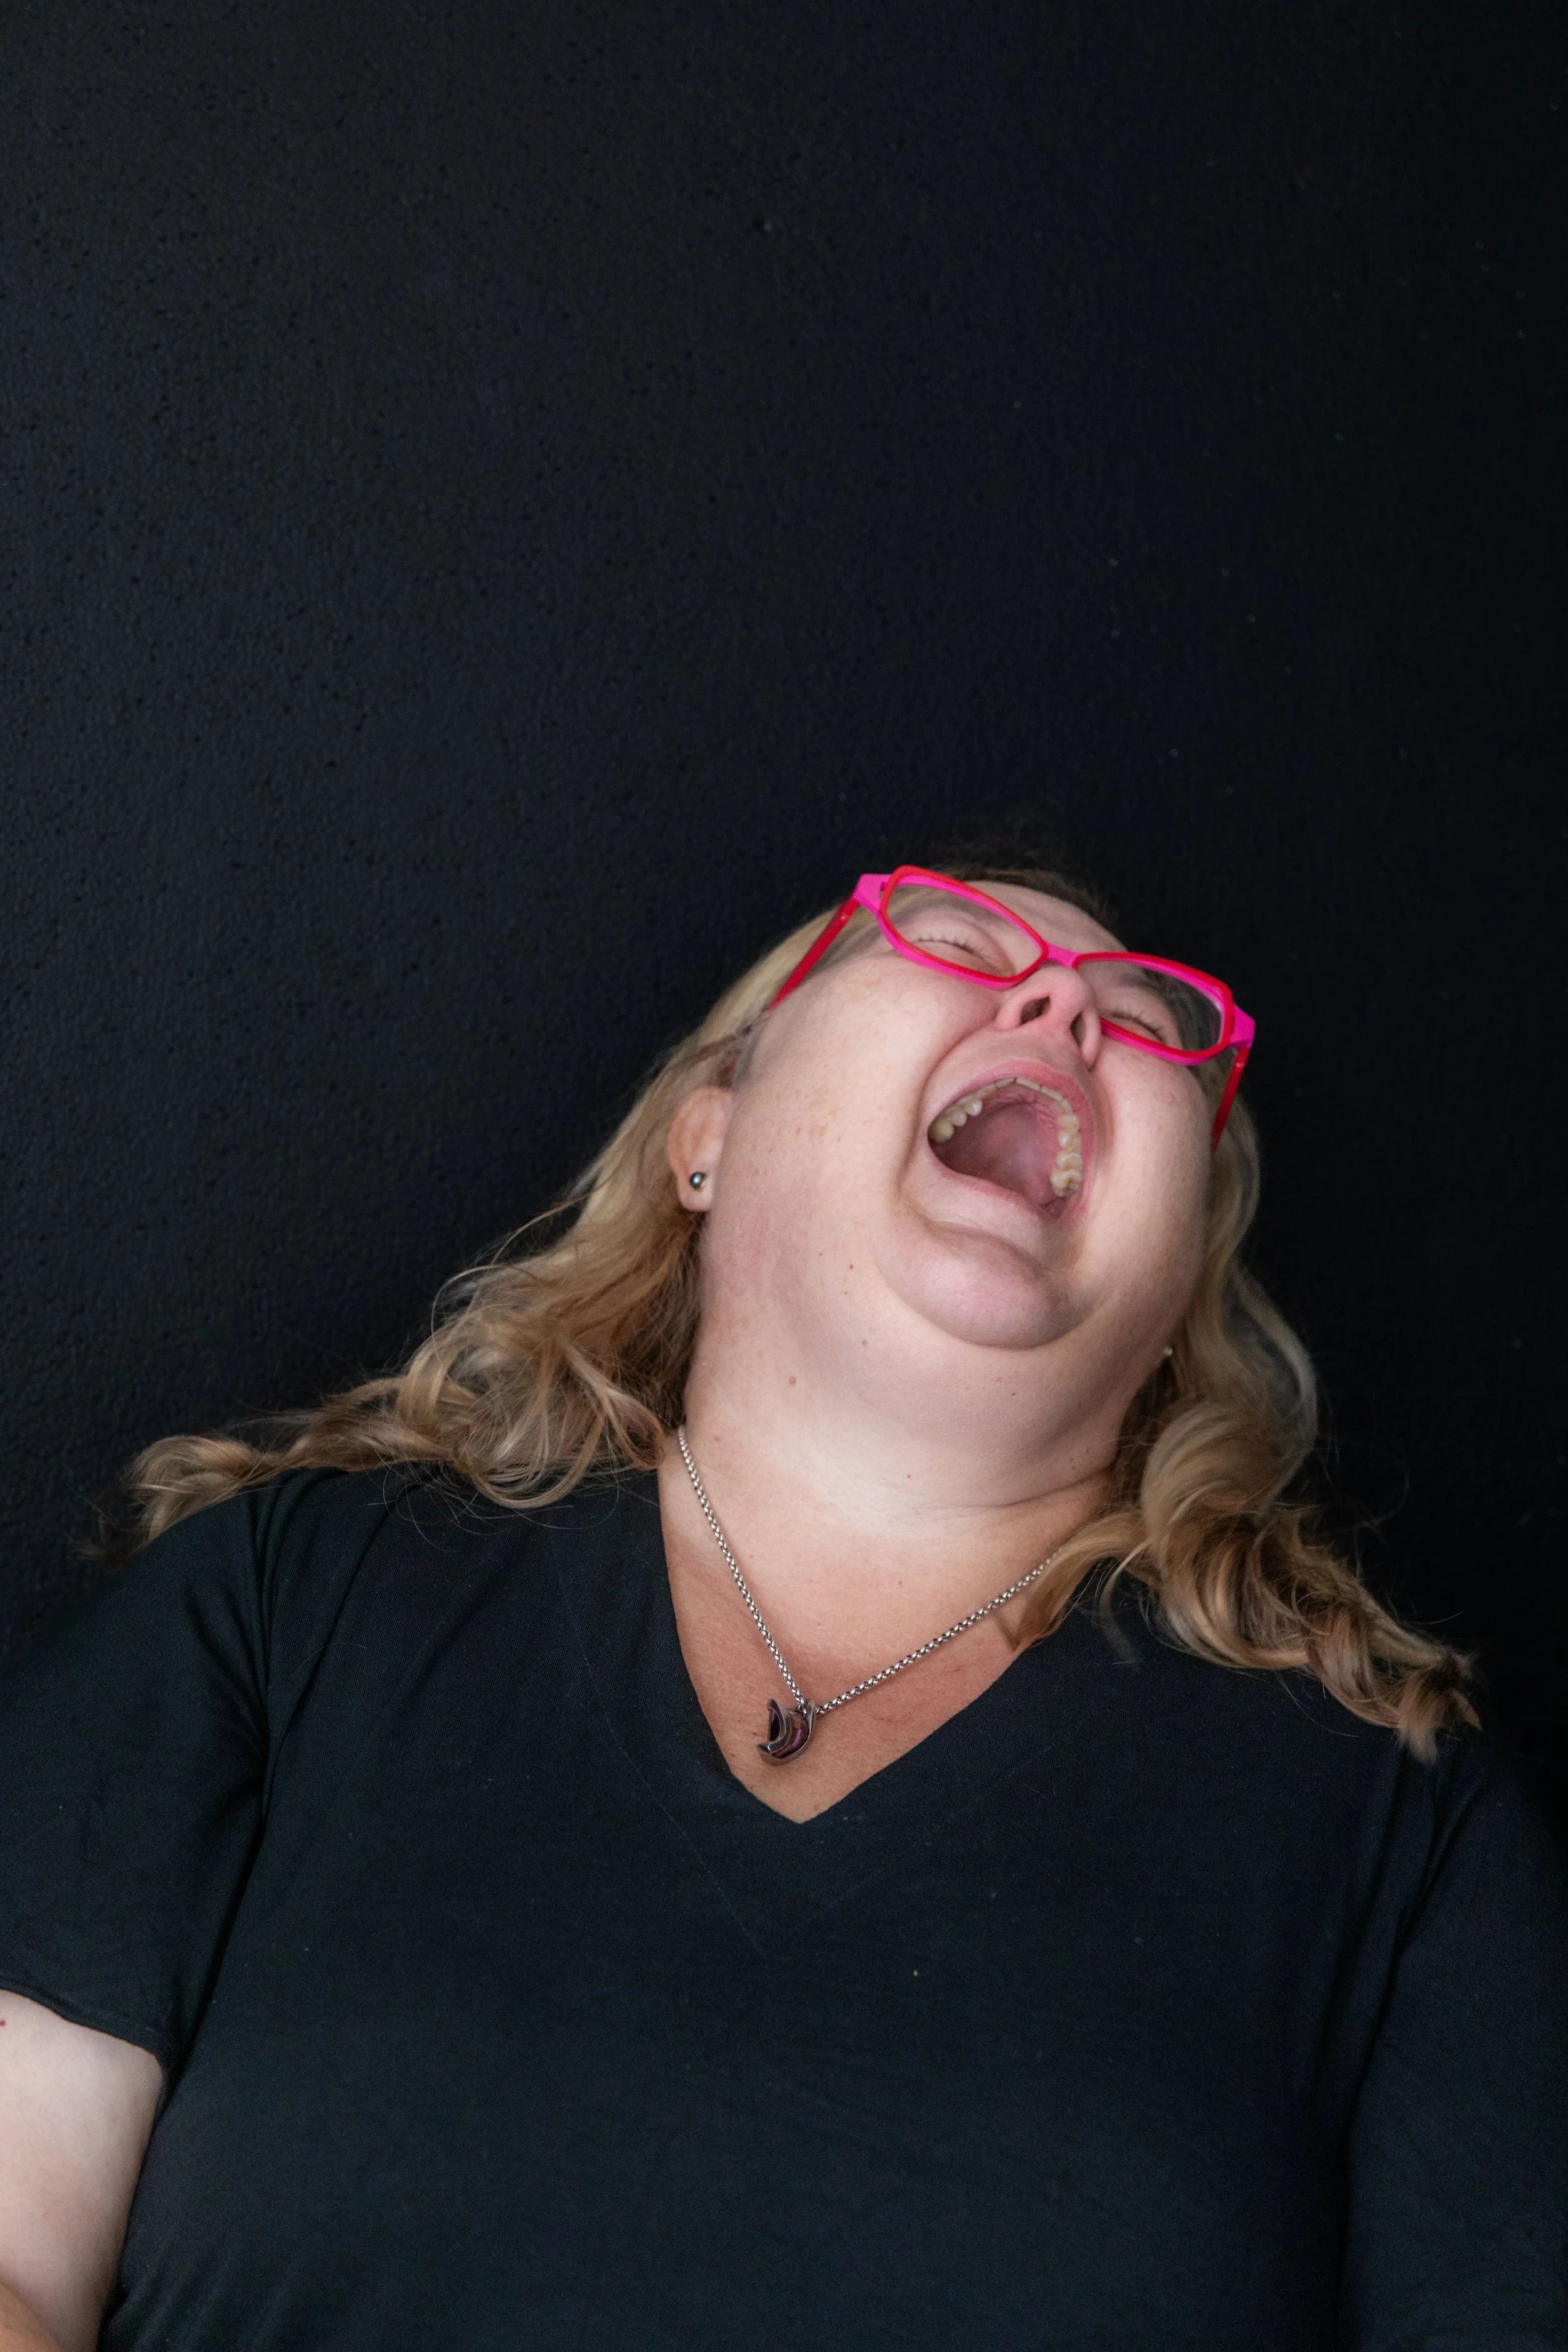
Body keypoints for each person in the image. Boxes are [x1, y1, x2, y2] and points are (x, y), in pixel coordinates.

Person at [0, 861, 1563, 2352]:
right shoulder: (292, 1598)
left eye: (1150, 1022)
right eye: (943, 939)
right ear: (707, 1137)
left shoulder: (1396, 1829)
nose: (1064, 1014)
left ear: (1177, 1296)